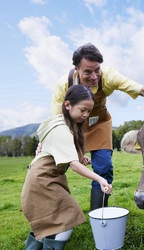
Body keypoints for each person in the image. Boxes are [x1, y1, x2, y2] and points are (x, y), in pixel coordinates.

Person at [48, 43, 144, 211]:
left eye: (97, 70)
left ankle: (98, 213)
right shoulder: (63, 86)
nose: (94, 76)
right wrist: (60, 145)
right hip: (73, 128)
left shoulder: (109, 77)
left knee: (104, 167)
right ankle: (54, 211)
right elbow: (57, 121)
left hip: (100, 125)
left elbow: (141, 90)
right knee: (56, 165)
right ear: (76, 69)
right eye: (88, 72)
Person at [22, 85, 112, 249]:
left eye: (88, 111)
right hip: (43, 180)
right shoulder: (62, 129)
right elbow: (74, 166)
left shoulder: (63, 122)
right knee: (69, 215)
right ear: (68, 105)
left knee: (48, 220)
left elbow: (56, 149)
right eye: (82, 110)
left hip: (44, 177)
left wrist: (80, 157)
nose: (85, 115)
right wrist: (100, 179)